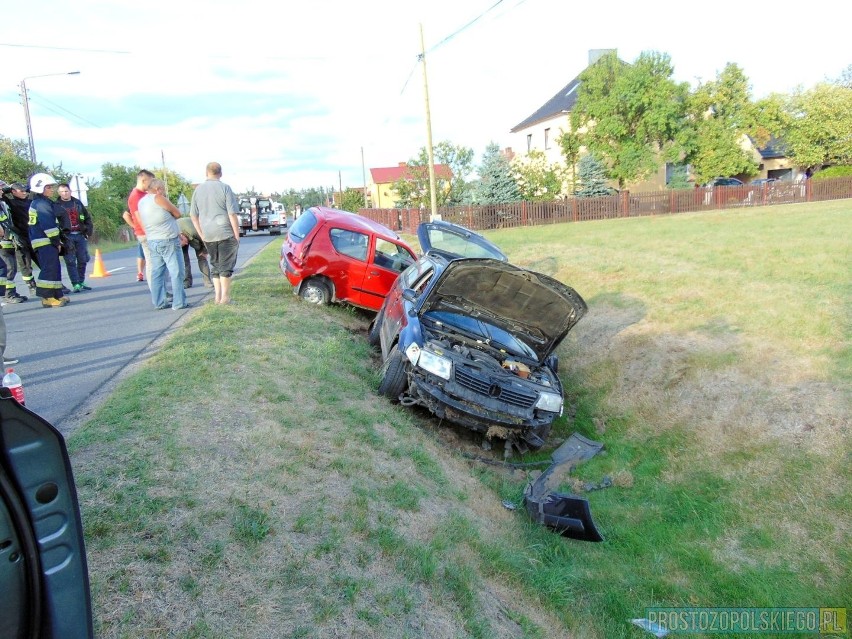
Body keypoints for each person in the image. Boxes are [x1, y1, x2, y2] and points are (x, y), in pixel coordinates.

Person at [189, 162, 240, 304]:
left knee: (215, 265)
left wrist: (201, 233)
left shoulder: (198, 190)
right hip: (225, 232)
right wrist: (236, 234)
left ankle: (217, 297)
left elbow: (193, 215)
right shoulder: (225, 188)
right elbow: (232, 214)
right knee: (226, 266)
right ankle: (225, 297)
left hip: (208, 234)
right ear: (220, 173)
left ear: (206, 173)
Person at [137, 179, 187, 310]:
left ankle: (159, 302)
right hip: (168, 239)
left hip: (152, 240)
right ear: (158, 189)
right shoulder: (158, 198)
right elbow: (178, 213)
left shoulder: (141, 202)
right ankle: (179, 302)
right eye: (163, 189)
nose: (164, 192)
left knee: (157, 273)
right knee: (176, 271)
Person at [27, 173, 69, 308]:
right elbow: (48, 226)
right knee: (49, 268)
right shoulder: (41, 204)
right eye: (49, 187)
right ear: (41, 188)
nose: (52, 189)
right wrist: (57, 242)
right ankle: (47, 297)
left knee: (55, 268)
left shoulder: (42, 202)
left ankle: (57, 294)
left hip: (46, 241)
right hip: (44, 241)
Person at [55, 183, 94, 292]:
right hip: (67, 237)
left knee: (82, 259)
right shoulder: (56, 205)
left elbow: (87, 218)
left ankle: (81, 281)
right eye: (62, 191)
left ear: (70, 191)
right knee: (70, 261)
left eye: (66, 191)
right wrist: (59, 238)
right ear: (59, 193)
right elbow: (55, 223)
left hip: (80, 235)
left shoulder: (77, 203)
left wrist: (88, 231)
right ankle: (75, 283)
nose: (64, 193)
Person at [2, 181, 37, 294]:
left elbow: (33, 190)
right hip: (19, 237)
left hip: (32, 235)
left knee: (43, 260)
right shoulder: (10, 202)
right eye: (21, 191)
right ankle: (31, 286)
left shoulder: (30, 201)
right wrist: (10, 188)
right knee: (24, 263)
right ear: (13, 192)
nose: (24, 193)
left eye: (25, 191)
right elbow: (3, 193)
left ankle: (55, 284)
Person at [122, 169, 155, 285]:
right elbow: (138, 216)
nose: (151, 184)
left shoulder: (144, 194)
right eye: (150, 182)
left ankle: (161, 291)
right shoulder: (135, 195)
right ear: (143, 180)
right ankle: (158, 293)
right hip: (146, 234)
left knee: (157, 263)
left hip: (149, 232)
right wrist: (142, 230)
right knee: (151, 263)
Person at [0, 182, 28, 303]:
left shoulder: (3, 202)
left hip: (9, 238)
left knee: (12, 267)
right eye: (1, 189)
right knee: (8, 267)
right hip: (3, 240)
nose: (2, 191)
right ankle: (8, 294)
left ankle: (12, 292)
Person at [177, 216, 212, 289]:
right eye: (183, 244)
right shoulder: (174, 235)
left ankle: (207, 281)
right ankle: (187, 282)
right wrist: (181, 244)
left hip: (195, 233)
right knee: (184, 260)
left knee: (202, 258)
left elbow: (205, 239)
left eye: (185, 243)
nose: (186, 244)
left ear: (182, 236)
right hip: (181, 234)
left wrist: (205, 251)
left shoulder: (194, 231)